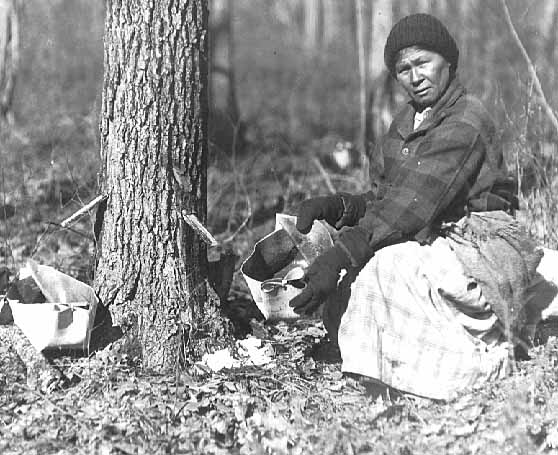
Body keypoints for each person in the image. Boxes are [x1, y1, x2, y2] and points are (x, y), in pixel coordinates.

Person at [289, 13, 554, 400]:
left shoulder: (466, 119)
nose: (415, 76)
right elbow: (389, 198)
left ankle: (476, 365)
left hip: (476, 243)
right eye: (403, 69)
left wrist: (342, 253)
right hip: (429, 235)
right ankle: (392, 360)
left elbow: (414, 206)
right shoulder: (404, 122)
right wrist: (340, 207)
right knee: (361, 278)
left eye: (423, 62)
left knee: (384, 266)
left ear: (447, 61)